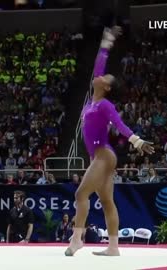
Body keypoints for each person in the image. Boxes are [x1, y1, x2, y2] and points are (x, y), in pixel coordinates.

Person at [65, 26, 154, 257]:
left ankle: (76, 240)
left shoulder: (105, 105)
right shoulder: (91, 102)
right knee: (106, 201)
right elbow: (98, 65)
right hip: (99, 156)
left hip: (104, 154)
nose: (100, 75)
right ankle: (113, 247)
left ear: (106, 87)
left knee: (80, 195)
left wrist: (136, 141)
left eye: (105, 77)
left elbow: (120, 125)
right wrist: (107, 41)